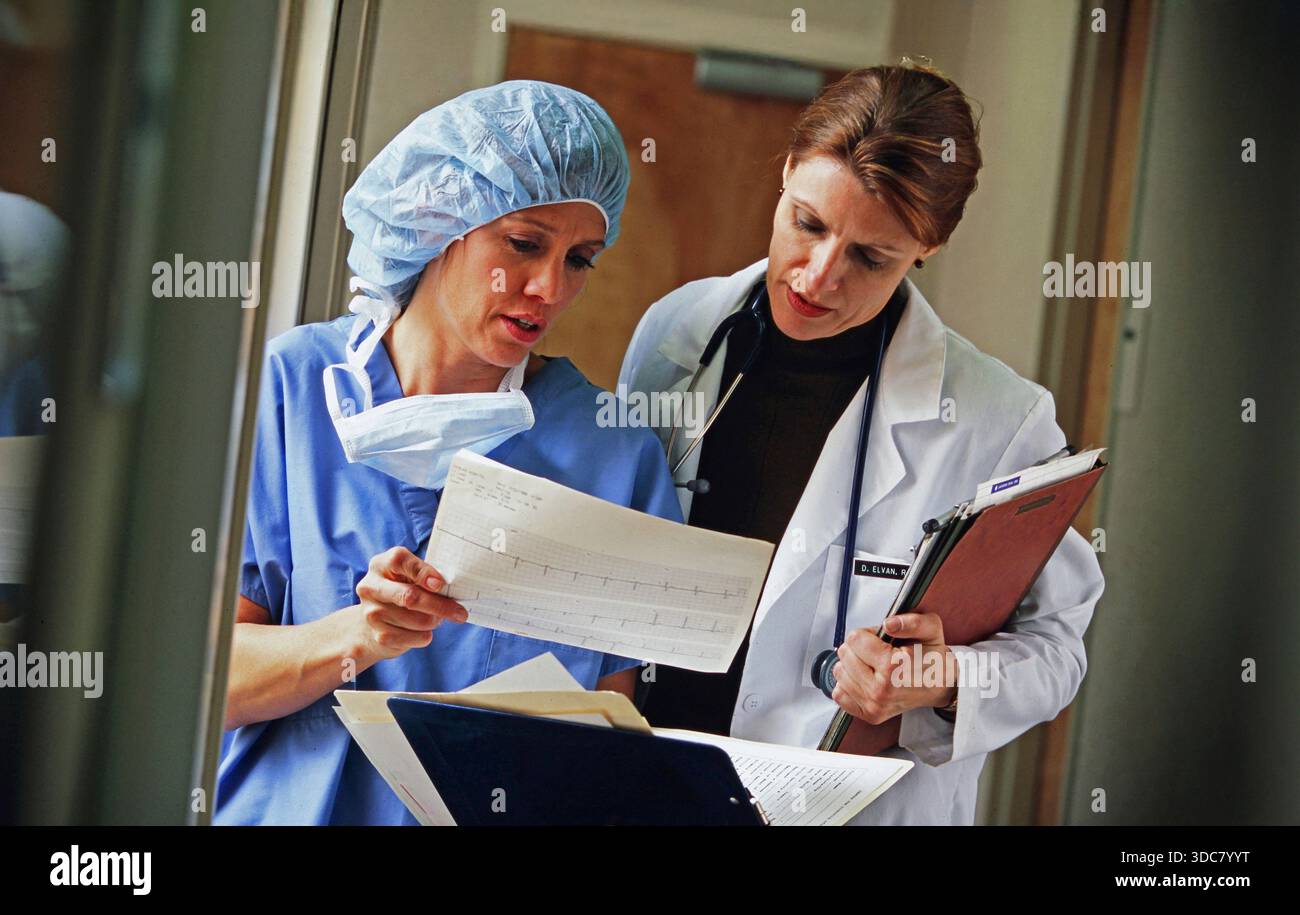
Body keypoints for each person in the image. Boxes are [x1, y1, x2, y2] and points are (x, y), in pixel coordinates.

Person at [619, 63, 1105, 825]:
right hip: (651, 784)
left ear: (927, 248)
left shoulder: (997, 420)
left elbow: (1057, 648)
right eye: (807, 223)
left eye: (870, 258)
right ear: (784, 174)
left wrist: (942, 678)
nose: (819, 276)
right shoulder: (675, 334)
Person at [215, 81, 681, 825]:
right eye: (525, 244)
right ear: (442, 219)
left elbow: (607, 743)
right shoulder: (295, 391)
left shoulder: (611, 453)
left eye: (581, 259)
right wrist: (360, 634)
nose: (549, 288)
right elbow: (205, 687)